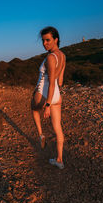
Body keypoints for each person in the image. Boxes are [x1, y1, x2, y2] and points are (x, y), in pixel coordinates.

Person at [31, 26, 66, 169]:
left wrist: (47, 105)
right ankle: (59, 160)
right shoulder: (63, 56)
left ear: (56, 39)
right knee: (58, 128)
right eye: (43, 41)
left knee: (33, 109)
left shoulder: (50, 57)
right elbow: (60, 81)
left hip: (46, 94)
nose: (45, 43)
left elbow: (51, 83)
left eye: (48, 40)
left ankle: (40, 135)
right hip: (57, 95)